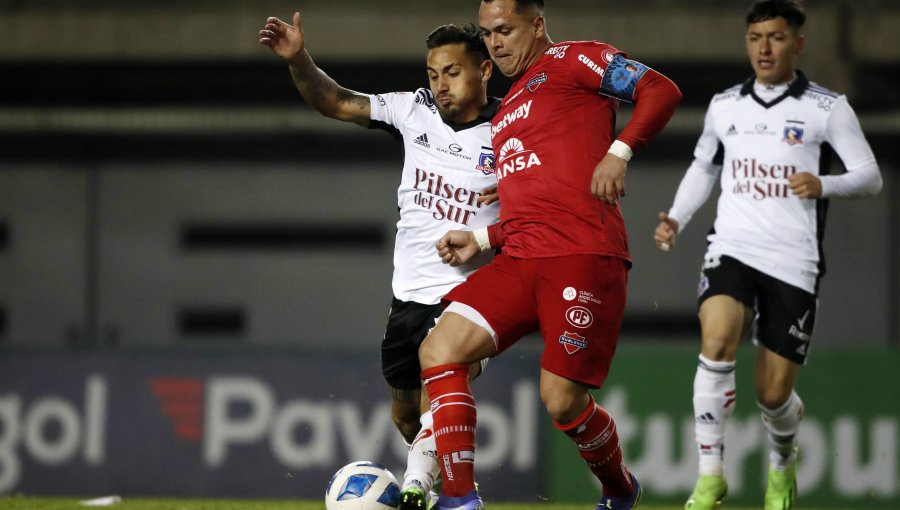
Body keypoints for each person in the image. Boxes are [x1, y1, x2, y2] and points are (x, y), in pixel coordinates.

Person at [419, 1, 682, 509]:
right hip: (519, 258)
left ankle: (620, 490)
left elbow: (661, 89)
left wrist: (619, 151)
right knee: (438, 350)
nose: (495, 42)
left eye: (505, 30)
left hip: (582, 254)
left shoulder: (574, 59)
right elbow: (538, 197)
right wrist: (482, 240)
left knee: (561, 400)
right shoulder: (510, 102)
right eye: (488, 34)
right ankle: (459, 500)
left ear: (536, 24)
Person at [259, 15, 503, 509]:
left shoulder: (512, 131)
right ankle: (446, 490)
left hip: (467, 297)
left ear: (484, 71)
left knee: (444, 380)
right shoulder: (413, 112)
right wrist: (299, 60)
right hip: (407, 297)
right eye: (434, 74)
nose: (440, 85)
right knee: (406, 416)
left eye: (452, 73)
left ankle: (424, 488)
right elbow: (334, 101)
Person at [653, 1, 882, 509]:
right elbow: (704, 167)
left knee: (773, 396)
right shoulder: (725, 105)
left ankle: (782, 461)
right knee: (715, 341)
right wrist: (675, 217)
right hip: (732, 247)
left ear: (796, 43)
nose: (764, 47)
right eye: (756, 37)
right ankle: (711, 475)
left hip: (793, 260)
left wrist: (823, 183)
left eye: (776, 37)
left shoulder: (828, 108)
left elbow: (870, 176)